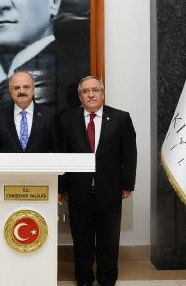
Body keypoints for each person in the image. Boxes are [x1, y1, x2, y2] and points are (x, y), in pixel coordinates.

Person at [59, 76, 137, 286]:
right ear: (80, 96)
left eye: (95, 90)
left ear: (103, 93)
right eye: (86, 91)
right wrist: (62, 187)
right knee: (81, 240)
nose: (91, 94)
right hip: (78, 191)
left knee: (109, 241)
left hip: (110, 191)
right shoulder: (67, 120)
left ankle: (107, 278)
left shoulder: (121, 118)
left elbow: (129, 154)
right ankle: (84, 279)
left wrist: (127, 184)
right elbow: (62, 154)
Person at [0, 71, 60, 198]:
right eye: (16, 88)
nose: (21, 91)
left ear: (33, 90)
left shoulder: (49, 116)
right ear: (11, 92)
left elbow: (57, 152)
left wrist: (59, 188)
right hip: (7, 185)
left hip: (43, 185)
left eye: (26, 87)